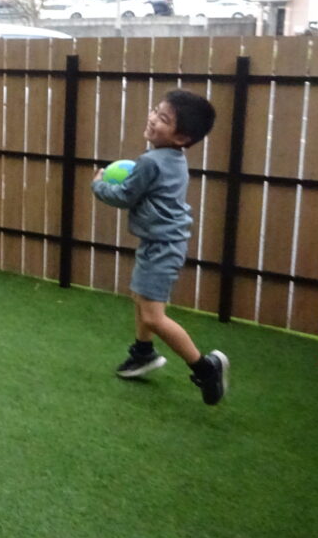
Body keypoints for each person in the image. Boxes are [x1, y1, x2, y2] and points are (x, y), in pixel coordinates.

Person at [91, 89, 229, 405]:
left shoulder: (150, 162)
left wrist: (99, 185)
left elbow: (124, 196)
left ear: (181, 137)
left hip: (162, 246)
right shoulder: (173, 158)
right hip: (163, 242)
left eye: (163, 118)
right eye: (156, 110)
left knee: (153, 316)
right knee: (141, 298)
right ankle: (143, 352)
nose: (153, 119)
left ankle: (206, 368)